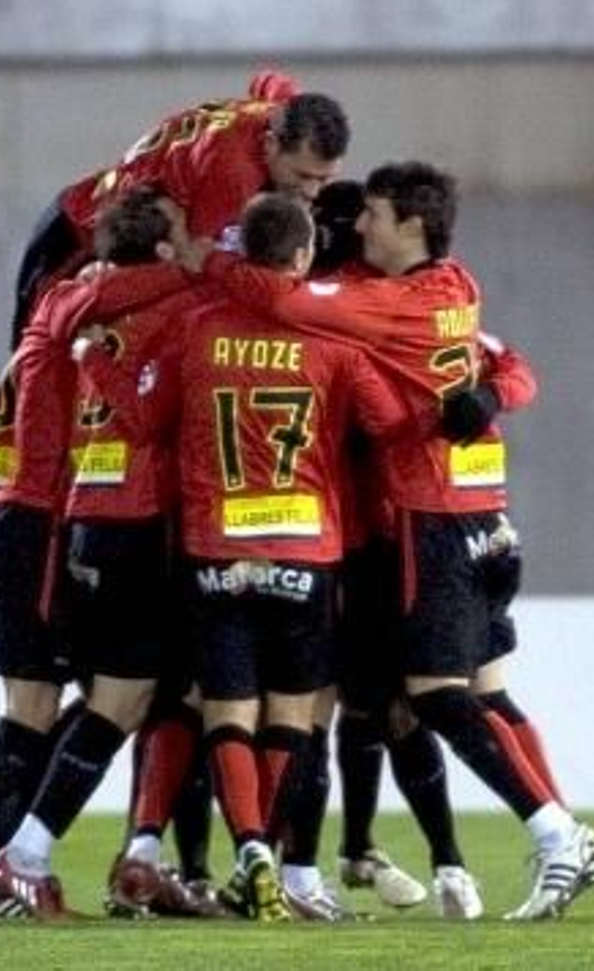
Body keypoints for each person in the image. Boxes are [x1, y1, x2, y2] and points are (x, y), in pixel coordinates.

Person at [172, 160, 594, 923]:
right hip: (480, 517)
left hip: (418, 519)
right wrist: (496, 392)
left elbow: (275, 292)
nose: (361, 226)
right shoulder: (457, 287)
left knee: (425, 697)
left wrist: (198, 254)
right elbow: (514, 365)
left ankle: (557, 832)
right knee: (464, 692)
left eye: (372, 213)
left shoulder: (372, 305)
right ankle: (426, 849)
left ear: (410, 224)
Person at [141, 193, 413, 922]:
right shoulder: (334, 344)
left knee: (227, 711)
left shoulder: (195, 331)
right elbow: (389, 423)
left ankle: (252, 849)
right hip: (306, 546)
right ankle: (279, 862)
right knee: (293, 716)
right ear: (300, 257)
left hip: (213, 545)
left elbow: (147, 419)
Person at [0, 189, 203, 921]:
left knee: (106, 696)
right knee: (70, 700)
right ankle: (10, 856)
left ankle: (9, 852)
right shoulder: (164, 304)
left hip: (67, 515)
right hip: (73, 516)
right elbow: (146, 412)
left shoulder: (68, 299)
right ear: (165, 249)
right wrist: (207, 274)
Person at [10, 71, 350, 344]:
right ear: (270, 144)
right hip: (78, 237)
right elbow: (196, 260)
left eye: (324, 178)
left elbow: (270, 79)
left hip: (130, 234)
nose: (312, 191)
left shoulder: (283, 111)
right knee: (35, 354)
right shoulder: (231, 175)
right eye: (303, 175)